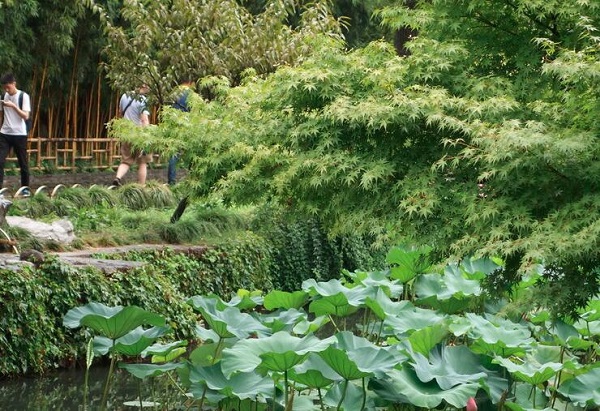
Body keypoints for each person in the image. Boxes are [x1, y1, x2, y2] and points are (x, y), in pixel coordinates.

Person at [112, 84, 152, 186]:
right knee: (142, 162)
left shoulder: (124, 96)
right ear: (144, 86)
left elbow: (121, 113)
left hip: (126, 133)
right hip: (139, 135)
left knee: (126, 161)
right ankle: (141, 187)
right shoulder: (143, 100)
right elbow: (144, 120)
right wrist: (147, 135)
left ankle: (118, 178)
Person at [0, 73, 31, 196]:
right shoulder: (3, 96)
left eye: (8, 87)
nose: (7, 90)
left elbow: (26, 116)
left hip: (19, 134)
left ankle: (25, 188)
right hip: (4, 133)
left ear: (14, 84)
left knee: (23, 162)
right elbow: (1, 115)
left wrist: (13, 106)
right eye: (4, 88)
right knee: (0, 161)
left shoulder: (23, 96)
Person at [167, 78, 193, 185]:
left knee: (174, 153)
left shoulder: (174, 93)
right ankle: (191, 178)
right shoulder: (190, 94)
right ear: (190, 82)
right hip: (187, 125)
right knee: (191, 151)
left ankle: (171, 180)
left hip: (174, 124)